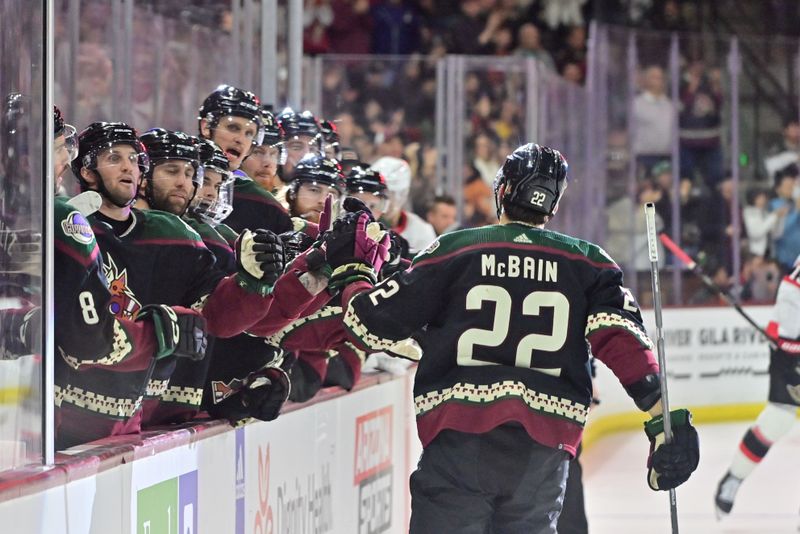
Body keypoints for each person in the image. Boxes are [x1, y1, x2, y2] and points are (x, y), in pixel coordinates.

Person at [338, 143, 699, 532]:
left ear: (503, 191)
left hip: (459, 443)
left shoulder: (455, 250)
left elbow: (366, 324)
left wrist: (352, 271)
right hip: (542, 455)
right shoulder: (589, 264)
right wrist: (665, 419)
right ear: (554, 204)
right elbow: (623, 340)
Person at [70, 121, 328, 426]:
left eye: (192, 175)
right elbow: (75, 336)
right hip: (72, 422)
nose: (186, 184)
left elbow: (222, 319)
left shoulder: (181, 235)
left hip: (157, 421)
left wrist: (255, 284)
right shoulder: (72, 229)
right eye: (172, 171)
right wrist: (154, 334)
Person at [715, 254, 800, 518]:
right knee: (778, 420)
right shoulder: (794, 288)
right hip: (791, 355)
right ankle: (734, 478)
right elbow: (786, 339)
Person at [197, 86, 291, 235]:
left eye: (249, 133)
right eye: (233, 128)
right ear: (206, 127)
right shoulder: (176, 182)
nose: (240, 139)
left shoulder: (266, 206)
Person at [370, 156, 436, 254]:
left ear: (402, 194)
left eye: (390, 193)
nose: (384, 200)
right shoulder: (361, 225)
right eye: (379, 193)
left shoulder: (422, 231)